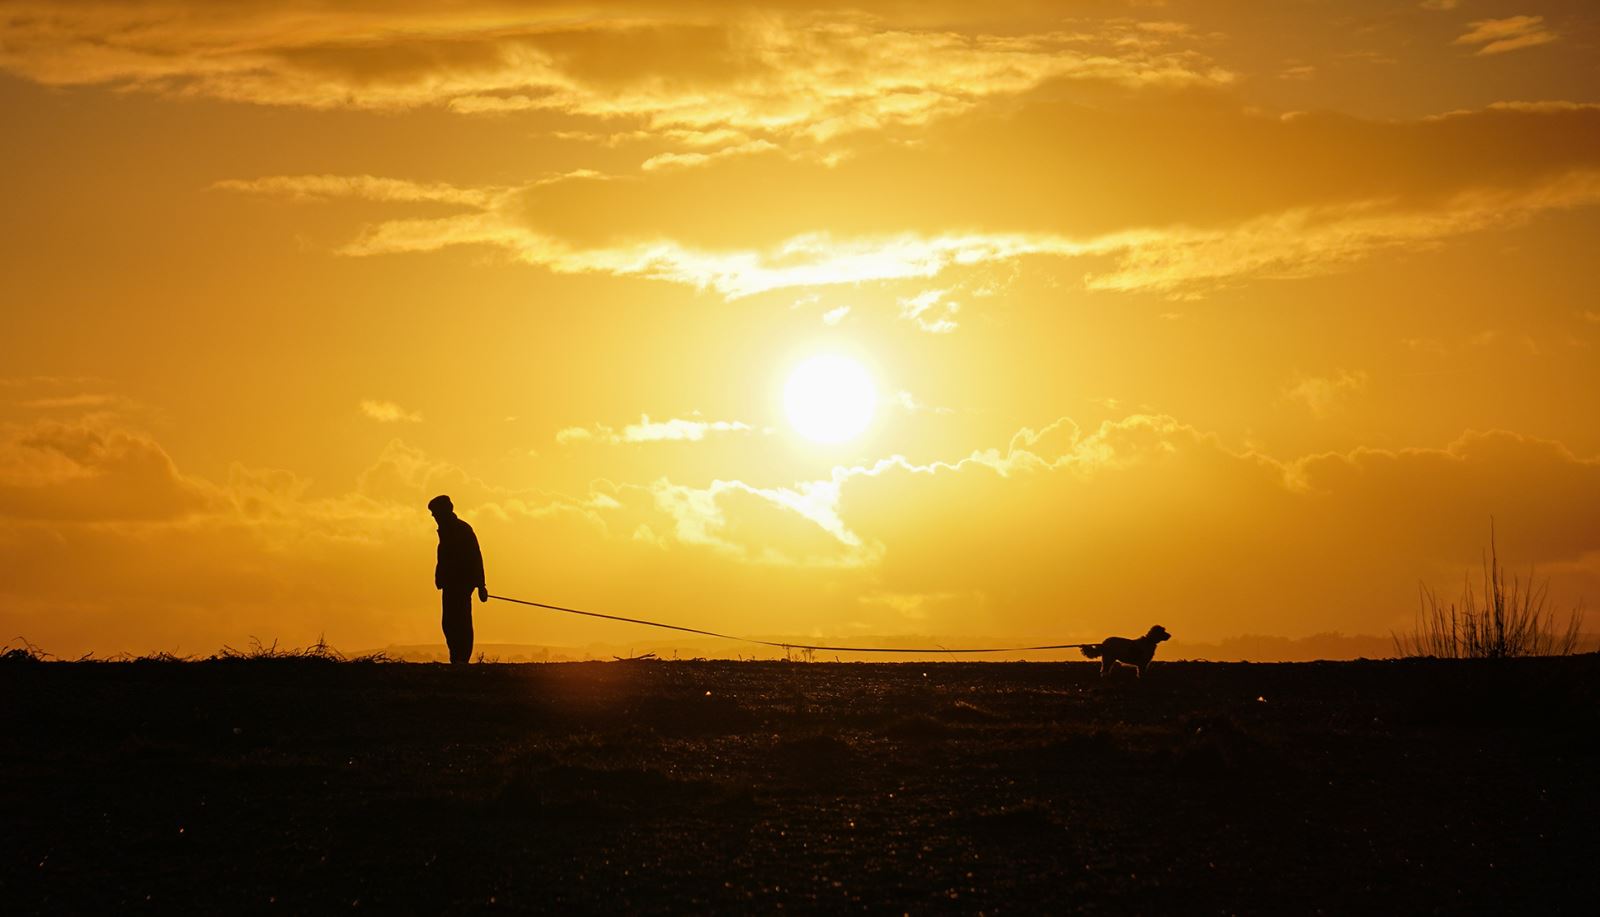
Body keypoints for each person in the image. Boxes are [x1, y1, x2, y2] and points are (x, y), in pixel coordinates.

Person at [427, 495, 487, 664]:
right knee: (449, 623)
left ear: (445, 511)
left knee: (460, 622)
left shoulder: (462, 530)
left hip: (460, 585)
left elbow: (476, 557)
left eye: (435, 512)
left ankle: (461, 659)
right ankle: (457, 658)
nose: (433, 516)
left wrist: (481, 585)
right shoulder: (449, 530)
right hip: (450, 584)